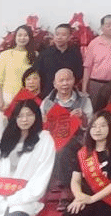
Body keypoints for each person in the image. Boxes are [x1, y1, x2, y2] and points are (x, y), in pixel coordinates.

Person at [40, 67, 94, 208]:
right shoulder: (47, 102)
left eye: (68, 80)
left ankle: (65, 188)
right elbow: (40, 126)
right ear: (54, 84)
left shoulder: (84, 100)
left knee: (64, 148)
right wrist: (44, 121)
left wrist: (83, 118)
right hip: (53, 138)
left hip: (78, 139)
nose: (65, 83)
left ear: (74, 81)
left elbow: (91, 127)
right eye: (61, 80)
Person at [0, 23, 38, 132]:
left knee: (23, 130)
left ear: (30, 37)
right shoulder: (5, 55)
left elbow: (37, 78)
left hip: (25, 98)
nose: (22, 38)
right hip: (7, 97)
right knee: (4, 130)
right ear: (15, 37)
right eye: (20, 35)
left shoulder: (35, 55)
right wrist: (0, 100)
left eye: (25, 35)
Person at [81, 14, 111, 110]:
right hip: (96, 84)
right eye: (108, 25)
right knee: (95, 111)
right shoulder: (94, 43)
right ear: (102, 27)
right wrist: (84, 89)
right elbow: (87, 67)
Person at [37, 23, 84, 96]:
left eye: (63, 35)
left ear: (69, 37)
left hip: (68, 93)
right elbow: (39, 73)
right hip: (48, 93)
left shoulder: (75, 53)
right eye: (57, 34)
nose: (59, 37)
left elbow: (79, 73)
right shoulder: (45, 53)